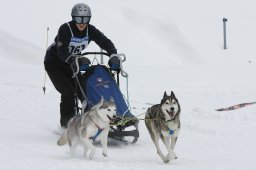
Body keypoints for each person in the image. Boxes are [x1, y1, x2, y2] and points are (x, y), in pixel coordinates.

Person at [44, 3, 120, 128]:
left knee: (84, 91)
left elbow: (105, 42)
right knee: (68, 92)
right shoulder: (65, 29)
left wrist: (113, 55)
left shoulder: (90, 30)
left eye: (86, 19)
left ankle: (89, 122)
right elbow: (62, 51)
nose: (82, 23)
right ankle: (67, 125)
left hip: (73, 64)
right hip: (54, 64)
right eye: (79, 19)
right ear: (73, 18)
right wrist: (75, 59)